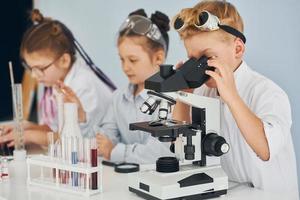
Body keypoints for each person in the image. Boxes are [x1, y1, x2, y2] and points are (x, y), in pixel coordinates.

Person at [171, 0, 298, 195]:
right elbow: (181, 147)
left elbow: (265, 149)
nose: (199, 68)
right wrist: (182, 97)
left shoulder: (268, 92)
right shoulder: (203, 92)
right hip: (228, 191)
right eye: (193, 59)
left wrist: (231, 96)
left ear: (237, 49)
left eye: (207, 57)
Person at [0, 9, 115, 147]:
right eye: (31, 68)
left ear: (64, 61)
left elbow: (73, 139)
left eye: (40, 68)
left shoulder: (84, 85)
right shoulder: (54, 81)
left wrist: (28, 135)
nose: (34, 75)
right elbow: (56, 129)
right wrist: (25, 128)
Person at [94, 9, 173, 164]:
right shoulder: (118, 98)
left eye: (133, 60)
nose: (125, 67)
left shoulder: (172, 98)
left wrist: (115, 151)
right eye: (122, 59)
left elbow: (159, 151)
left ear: (158, 57)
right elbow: (106, 137)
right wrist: (105, 144)